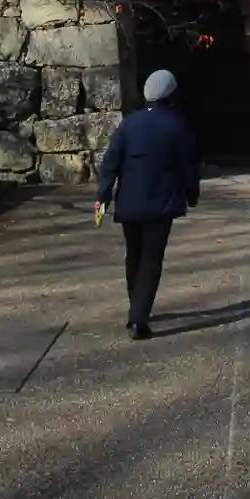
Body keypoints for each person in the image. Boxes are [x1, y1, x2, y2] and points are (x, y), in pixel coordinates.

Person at [95, 68, 202, 339]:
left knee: (134, 256)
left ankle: (136, 306)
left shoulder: (129, 124)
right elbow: (188, 166)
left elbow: (110, 162)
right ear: (172, 95)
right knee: (151, 260)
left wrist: (103, 196)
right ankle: (138, 318)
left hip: (129, 202)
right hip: (160, 203)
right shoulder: (177, 125)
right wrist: (192, 194)